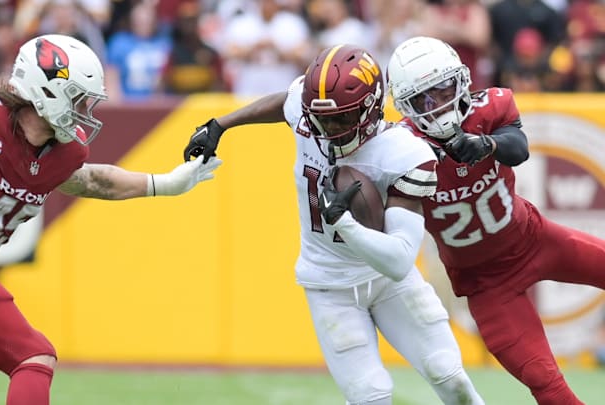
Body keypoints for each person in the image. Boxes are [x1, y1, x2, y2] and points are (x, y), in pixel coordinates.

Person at [0, 34, 221, 405]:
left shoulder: (61, 152)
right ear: (48, 88)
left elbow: (92, 180)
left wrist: (164, 184)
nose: (83, 111)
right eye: (77, 98)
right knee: (33, 356)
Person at [183, 44, 484, 405]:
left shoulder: (405, 152)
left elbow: (400, 260)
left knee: (450, 378)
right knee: (370, 396)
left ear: (372, 108)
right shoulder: (308, 112)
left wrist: (345, 223)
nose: (329, 128)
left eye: (342, 118)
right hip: (329, 284)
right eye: (321, 119)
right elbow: (286, 102)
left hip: (389, 281)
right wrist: (220, 124)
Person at [386, 35, 605, 405]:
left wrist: (486, 144)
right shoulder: (398, 148)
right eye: (425, 99)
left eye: (442, 90)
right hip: (487, 285)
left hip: (536, 241)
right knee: (545, 381)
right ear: (407, 106)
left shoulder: (488, 110)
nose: (438, 105)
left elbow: (517, 147)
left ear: (460, 80)